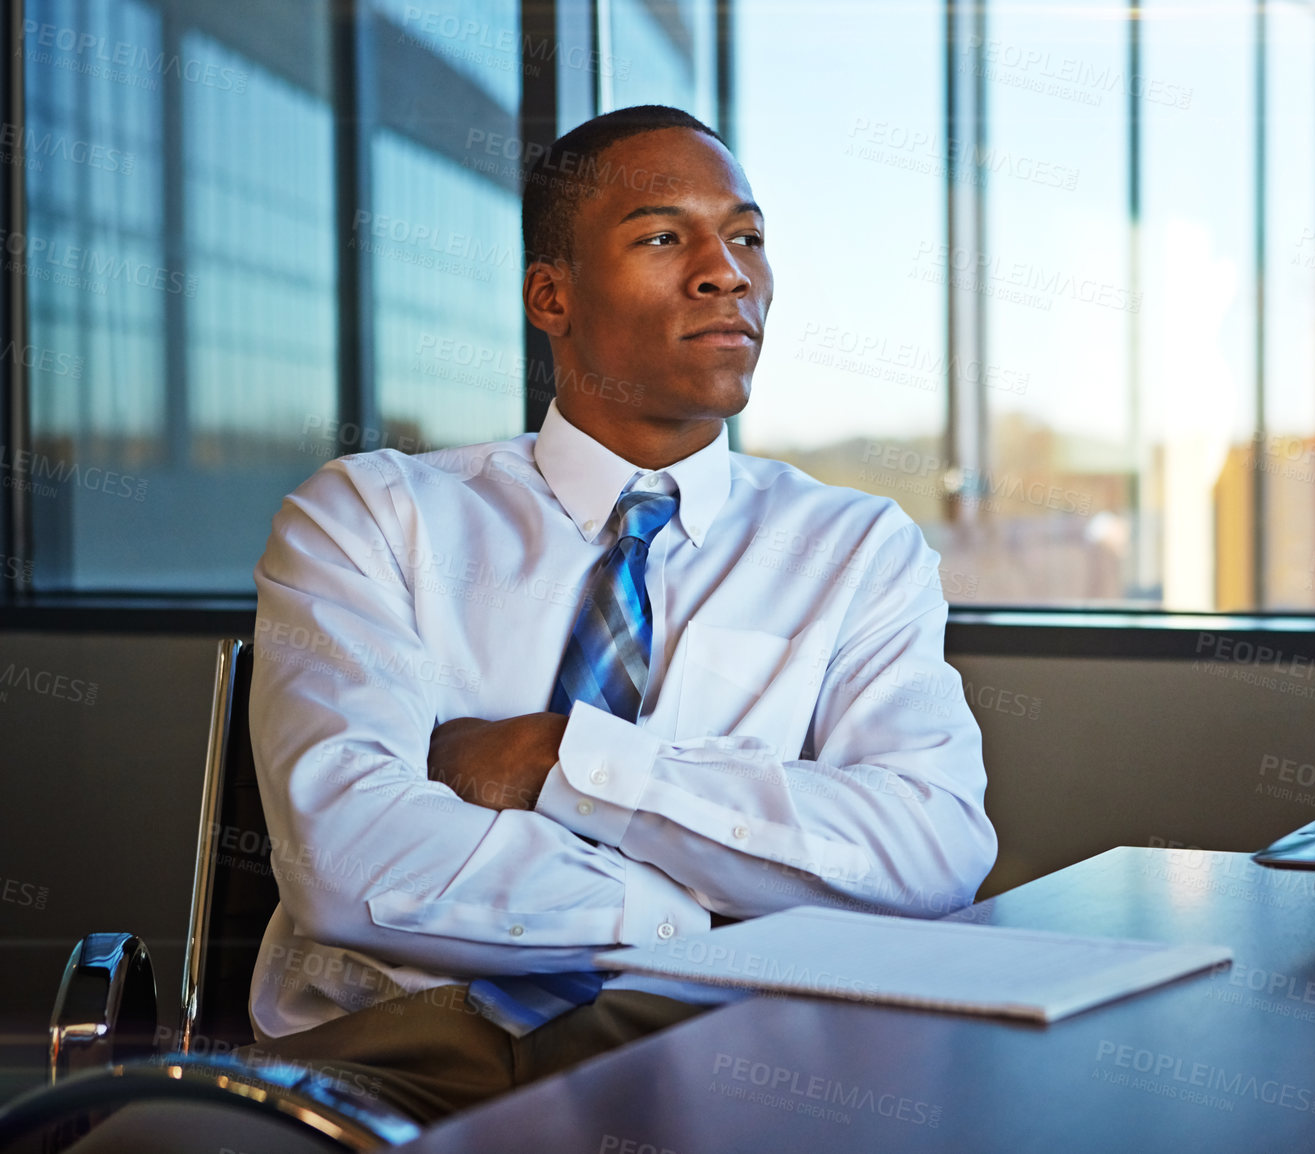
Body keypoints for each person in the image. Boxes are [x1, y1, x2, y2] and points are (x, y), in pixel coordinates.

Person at [239, 104, 997, 1121]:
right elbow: (347, 859)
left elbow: (932, 842)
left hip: (727, 1054)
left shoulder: (855, 548)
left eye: (747, 237)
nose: (725, 271)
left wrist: (566, 762)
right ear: (550, 295)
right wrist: (704, 907)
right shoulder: (372, 516)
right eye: (661, 236)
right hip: (395, 1053)